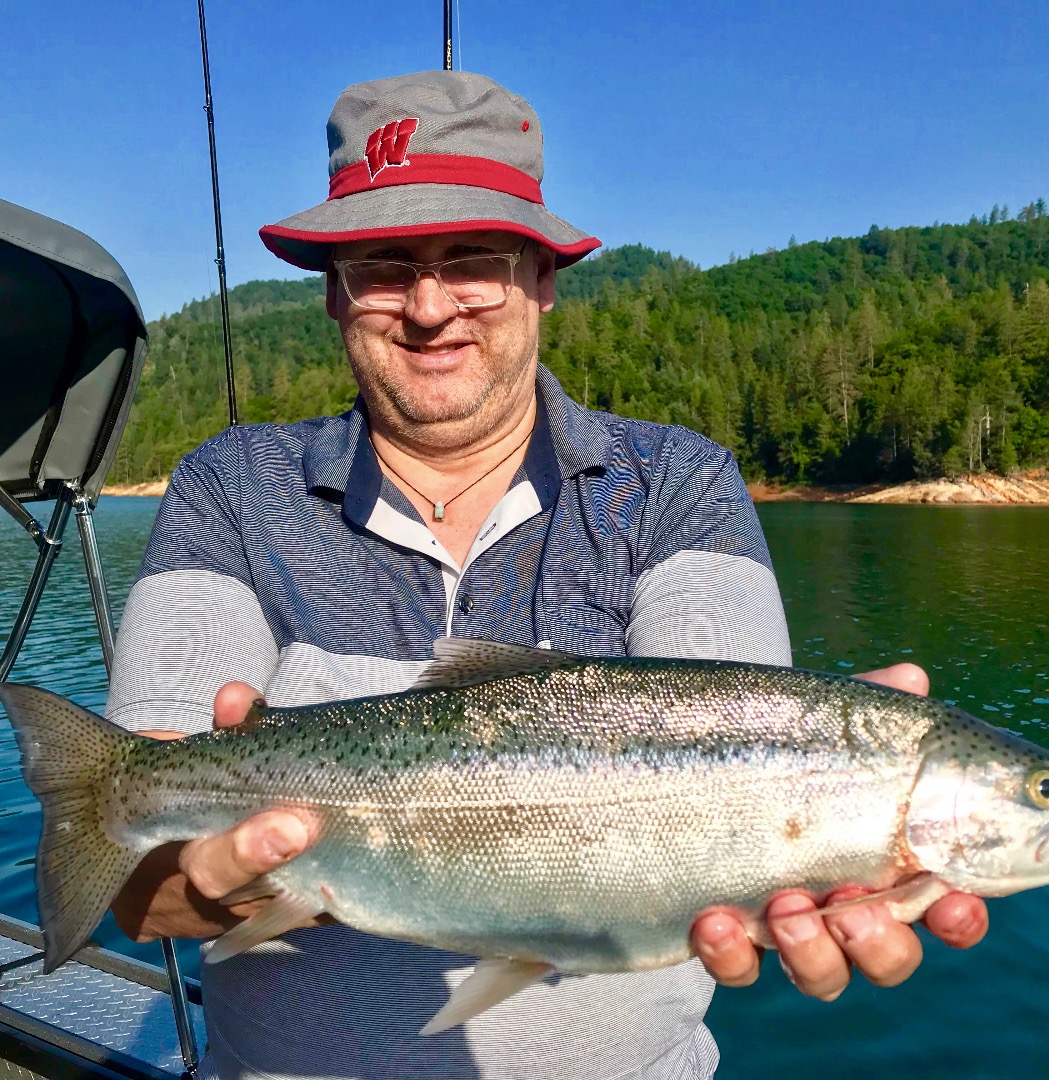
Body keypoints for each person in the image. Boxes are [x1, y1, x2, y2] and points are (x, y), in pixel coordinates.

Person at [107, 71, 988, 1080]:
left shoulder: (674, 485)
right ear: (331, 292)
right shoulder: (232, 486)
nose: (430, 308)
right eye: (384, 269)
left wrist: (829, 768)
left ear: (540, 277)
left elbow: (742, 798)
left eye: (474, 263)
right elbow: (139, 889)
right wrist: (213, 884)